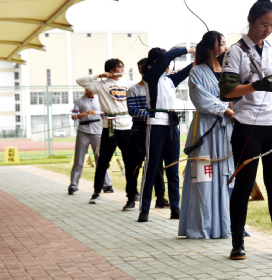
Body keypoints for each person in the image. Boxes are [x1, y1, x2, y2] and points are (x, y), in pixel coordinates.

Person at [219, 0, 272, 260]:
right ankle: (237, 243)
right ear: (251, 20)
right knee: (244, 185)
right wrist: (255, 85)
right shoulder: (235, 52)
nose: (268, 30)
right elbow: (227, 91)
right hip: (247, 126)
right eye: (263, 25)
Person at [179, 31, 235, 239]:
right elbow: (200, 99)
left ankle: (228, 225)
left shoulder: (232, 72)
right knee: (203, 177)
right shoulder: (197, 72)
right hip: (205, 132)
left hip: (228, 132)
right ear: (211, 48)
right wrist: (226, 110)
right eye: (221, 44)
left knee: (227, 176)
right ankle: (202, 226)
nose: (226, 47)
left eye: (225, 43)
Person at [138, 46, 195, 223]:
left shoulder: (169, 80)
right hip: (155, 125)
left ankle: (175, 208)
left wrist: (201, 55)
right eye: (165, 61)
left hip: (171, 126)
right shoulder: (151, 77)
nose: (169, 64)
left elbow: (188, 70)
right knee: (151, 167)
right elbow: (165, 58)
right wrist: (188, 49)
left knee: (173, 168)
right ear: (155, 62)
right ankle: (144, 209)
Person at [77, 59, 136, 206]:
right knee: (103, 161)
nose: (122, 70)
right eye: (119, 67)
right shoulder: (101, 84)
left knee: (130, 162)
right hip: (110, 126)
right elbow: (80, 80)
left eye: (123, 67)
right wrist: (99, 75)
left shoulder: (127, 84)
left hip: (126, 126)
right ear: (111, 70)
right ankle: (96, 192)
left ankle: (132, 193)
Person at [126, 58, 169, 211]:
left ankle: (160, 198)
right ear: (141, 71)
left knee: (157, 165)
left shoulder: (160, 87)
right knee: (134, 165)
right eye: (146, 70)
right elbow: (133, 111)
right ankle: (131, 198)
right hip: (140, 132)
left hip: (156, 131)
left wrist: (155, 116)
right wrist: (152, 116)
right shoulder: (134, 90)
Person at [68, 89, 113, 195]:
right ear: (86, 89)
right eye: (89, 88)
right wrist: (86, 113)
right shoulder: (79, 101)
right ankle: (73, 185)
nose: (92, 90)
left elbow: (104, 115)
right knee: (79, 159)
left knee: (101, 159)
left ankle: (107, 184)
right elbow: (74, 116)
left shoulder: (100, 99)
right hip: (83, 131)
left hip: (97, 131)